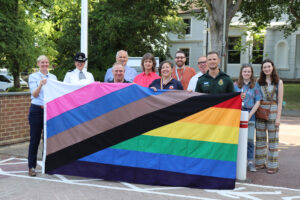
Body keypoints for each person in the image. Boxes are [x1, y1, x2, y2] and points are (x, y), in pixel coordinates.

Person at [28, 55, 57, 177]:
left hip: (49, 110)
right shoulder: (33, 77)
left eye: (46, 62)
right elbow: (34, 94)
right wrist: (40, 84)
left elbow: (56, 93)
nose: (45, 65)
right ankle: (32, 167)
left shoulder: (53, 77)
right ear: (38, 64)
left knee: (48, 140)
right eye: (42, 62)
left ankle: (47, 165)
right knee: (35, 139)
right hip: (36, 110)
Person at [255, 59, 283, 174]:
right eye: (264, 67)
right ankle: (260, 163)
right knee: (260, 138)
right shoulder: (258, 81)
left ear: (272, 67)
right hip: (261, 111)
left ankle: (273, 165)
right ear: (262, 69)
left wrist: (278, 118)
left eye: (269, 67)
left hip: (273, 111)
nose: (267, 69)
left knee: (273, 140)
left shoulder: (279, 82)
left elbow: (280, 102)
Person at [234, 64, 262, 172]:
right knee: (237, 138)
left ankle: (250, 161)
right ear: (241, 73)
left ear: (251, 73)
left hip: (250, 113)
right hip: (238, 114)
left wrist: (249, 115)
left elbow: (258, 101)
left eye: (249, 71)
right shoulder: (236, 85)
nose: (246, 73)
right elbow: (232, 99)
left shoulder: (255, 86)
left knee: (249, 139)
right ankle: (237, 161)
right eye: (245, 71)